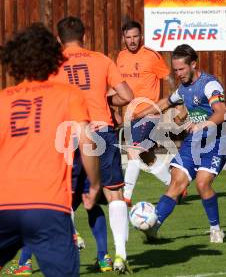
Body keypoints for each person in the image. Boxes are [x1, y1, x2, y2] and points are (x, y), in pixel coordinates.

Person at [0, 23, 100, 277]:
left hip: (4, 206)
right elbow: (87, 140)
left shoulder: (3, 99)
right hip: (48, 205)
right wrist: (95, 184)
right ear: (54, 57)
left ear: (14, 60)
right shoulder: (68, 94)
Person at [51, 16, 134, 273]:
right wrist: (104, 97)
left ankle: (67, 252)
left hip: (68, 136)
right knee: (114, 192)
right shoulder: (101, 60)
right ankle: (119, 255)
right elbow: (127, 95)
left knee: (65, 196)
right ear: (84, 36)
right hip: (100, 131)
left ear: (58, 39)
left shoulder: (53, 65)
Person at [136, 44, 226, 243]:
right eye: (176, 70)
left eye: (182, 69)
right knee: (176, 182)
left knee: (203, 183)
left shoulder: (210, 85)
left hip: (216, 142)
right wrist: (137, 115)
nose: (178, 73)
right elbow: (164, 103)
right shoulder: (183, 89)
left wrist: (204, 124)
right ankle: (154, 226)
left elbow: (221, 112)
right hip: (194, 142)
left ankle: (215, 229)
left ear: (193, 64)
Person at [116, 20, 175, 206]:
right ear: (123, 38)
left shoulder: (152, 56)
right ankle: (175, 185)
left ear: (141, 36)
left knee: (135, 149)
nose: (132, 40)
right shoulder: (121, 57)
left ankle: (125, 196)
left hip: (150, 113)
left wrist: (176, 101)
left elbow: (169, 79)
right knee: (146, 155)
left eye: (135, 37)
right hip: (131, 114)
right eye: (128, 37)